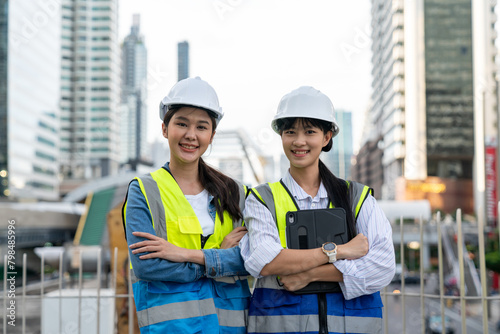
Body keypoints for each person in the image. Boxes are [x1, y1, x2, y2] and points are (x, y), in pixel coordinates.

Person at [239, 86, 396, 334]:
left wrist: (309, 275)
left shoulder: (357, 197)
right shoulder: (262, 199)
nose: (299, 141)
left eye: (310, 132)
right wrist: (340, 252)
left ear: (326, 137)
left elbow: (383, 266)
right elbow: (265, 261)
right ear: (281, 136)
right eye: (290, 132)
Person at [123, 77, 251, 333]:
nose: (191, 135)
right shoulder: (144, 190)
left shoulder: (236, 193)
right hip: (173, 327)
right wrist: (218, 260)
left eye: (202, 127)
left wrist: (183, 254)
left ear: (212, 135)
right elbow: (147, 265)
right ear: (164, 129)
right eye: (181, 123)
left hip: (231, 327)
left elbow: (252, 258)